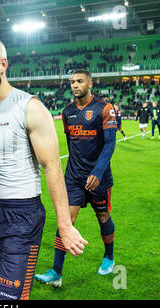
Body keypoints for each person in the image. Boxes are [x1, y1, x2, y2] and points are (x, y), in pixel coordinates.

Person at [0, 36, 87, 300]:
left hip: (22, 217)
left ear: (2, 65)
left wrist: (65, 226)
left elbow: (52, 167)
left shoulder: (29, 108)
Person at [35, 69, 118, 287]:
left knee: (103, 218)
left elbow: (110, 144)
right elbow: (72, 145)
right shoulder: (67, 112)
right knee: (66, 221)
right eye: (72, 82)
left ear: (90, 84)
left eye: (79, 81)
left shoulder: (104, 108)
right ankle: (56, 272)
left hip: (99, 178)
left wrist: (97, 172)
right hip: (73, 178)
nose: (75, 85)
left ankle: (109, 257)